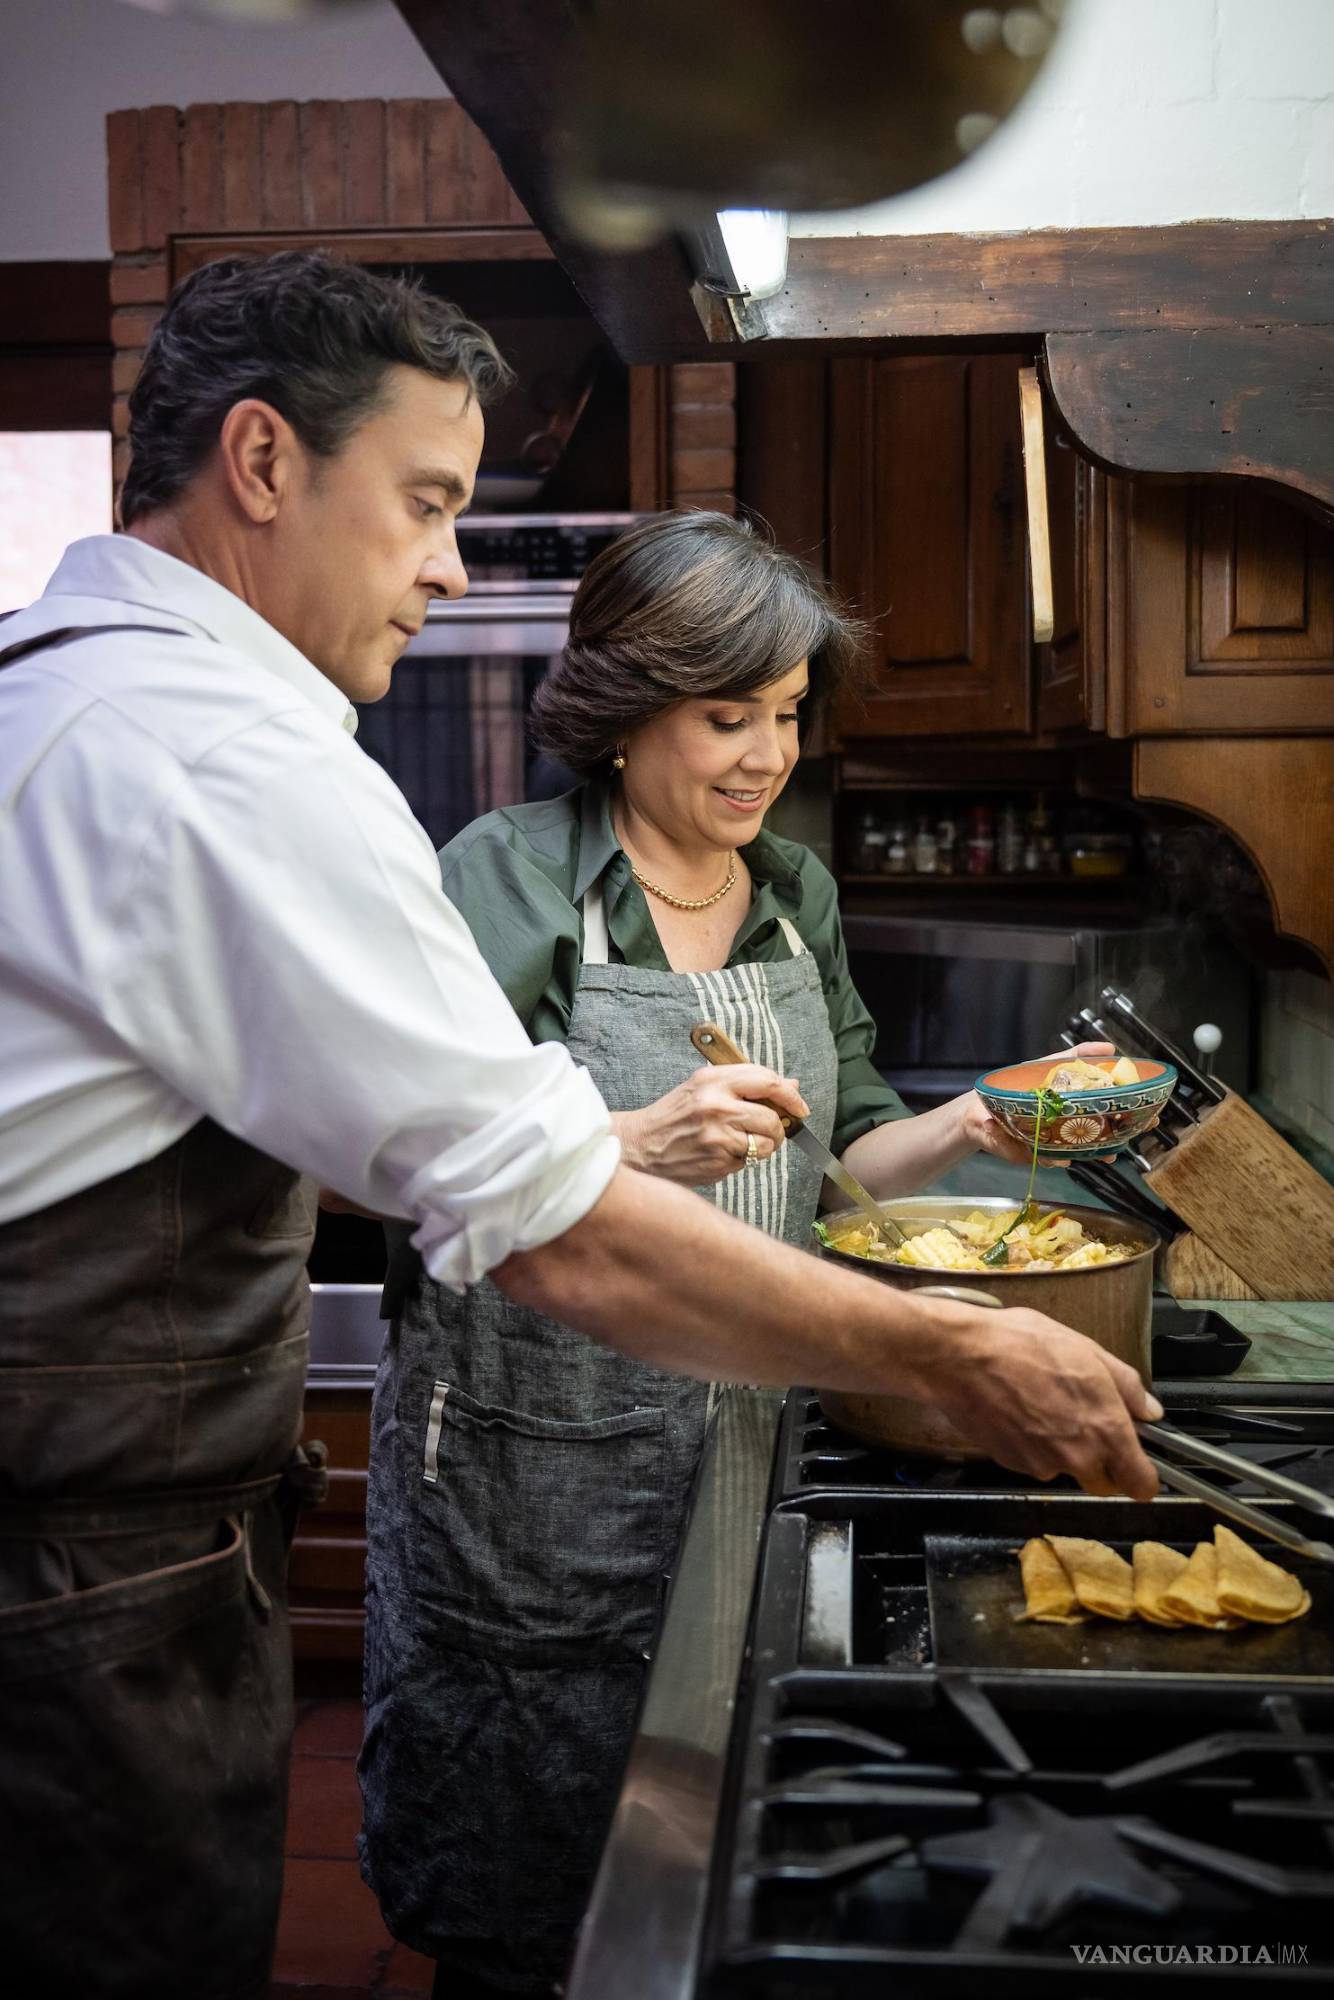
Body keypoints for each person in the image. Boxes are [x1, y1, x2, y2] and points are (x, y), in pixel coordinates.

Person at [0, 251, 1159, 2000]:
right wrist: (949, 1357)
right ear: (260, 461)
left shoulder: (61, 688)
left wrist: (984, 1131)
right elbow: (528, 1215)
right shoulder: (222, 761)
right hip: (96, 1567)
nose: (454, 566)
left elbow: (761, 1148)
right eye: (426, 502)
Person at [356, 510, 1134, 1998]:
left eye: (784, 716)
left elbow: (841, 1169)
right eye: (727, 718)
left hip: (745, 1434)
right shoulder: (507, 878)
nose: (766, 755)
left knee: (705, 1853)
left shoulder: (796, 891)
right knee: (522, 1851)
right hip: (536, 1461)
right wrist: (634, 1141)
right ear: (625, 707)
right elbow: (416, 1169)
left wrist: (985, 1118)